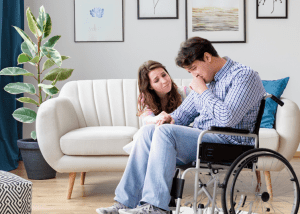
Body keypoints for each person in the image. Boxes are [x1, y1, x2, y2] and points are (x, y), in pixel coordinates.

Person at [96, 37, 266, 214]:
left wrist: (203, 91)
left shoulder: (244, 76)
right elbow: (183, 114)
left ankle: (155, 207)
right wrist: (169, 119)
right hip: (203, 139)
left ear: (207, 57)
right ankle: (125, 203)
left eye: (193, 69)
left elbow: (228, 118)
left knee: (166, 133)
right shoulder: (207, 79)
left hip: (228, 143)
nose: (194, 75)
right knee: (148, 131)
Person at [123, 60, 190, 154]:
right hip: (157, 136)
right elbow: (146, 119)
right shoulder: (144, 98)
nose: (164, 81)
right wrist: (159, 118)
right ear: (150, 86)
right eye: (156, 80)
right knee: (146, 131)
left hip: (180, 137)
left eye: (164, 75)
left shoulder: (184, 93)